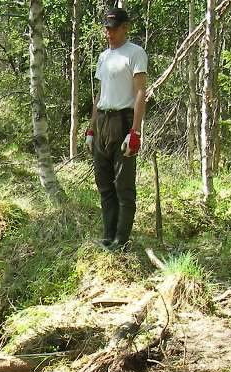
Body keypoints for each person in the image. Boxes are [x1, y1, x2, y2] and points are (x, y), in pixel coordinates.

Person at [85, 7, 148, 250]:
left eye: (113, 28)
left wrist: (135, 131)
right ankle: (108, 234)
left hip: (123, 121)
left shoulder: (135, 53)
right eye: (106, 28)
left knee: (124, 185)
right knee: (104, 183)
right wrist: (91, 129)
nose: (108, 33)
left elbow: (141, 92)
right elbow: (100, 95)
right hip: (102, 121)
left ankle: (121, 239)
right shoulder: (103, 57)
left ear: (125, 27)